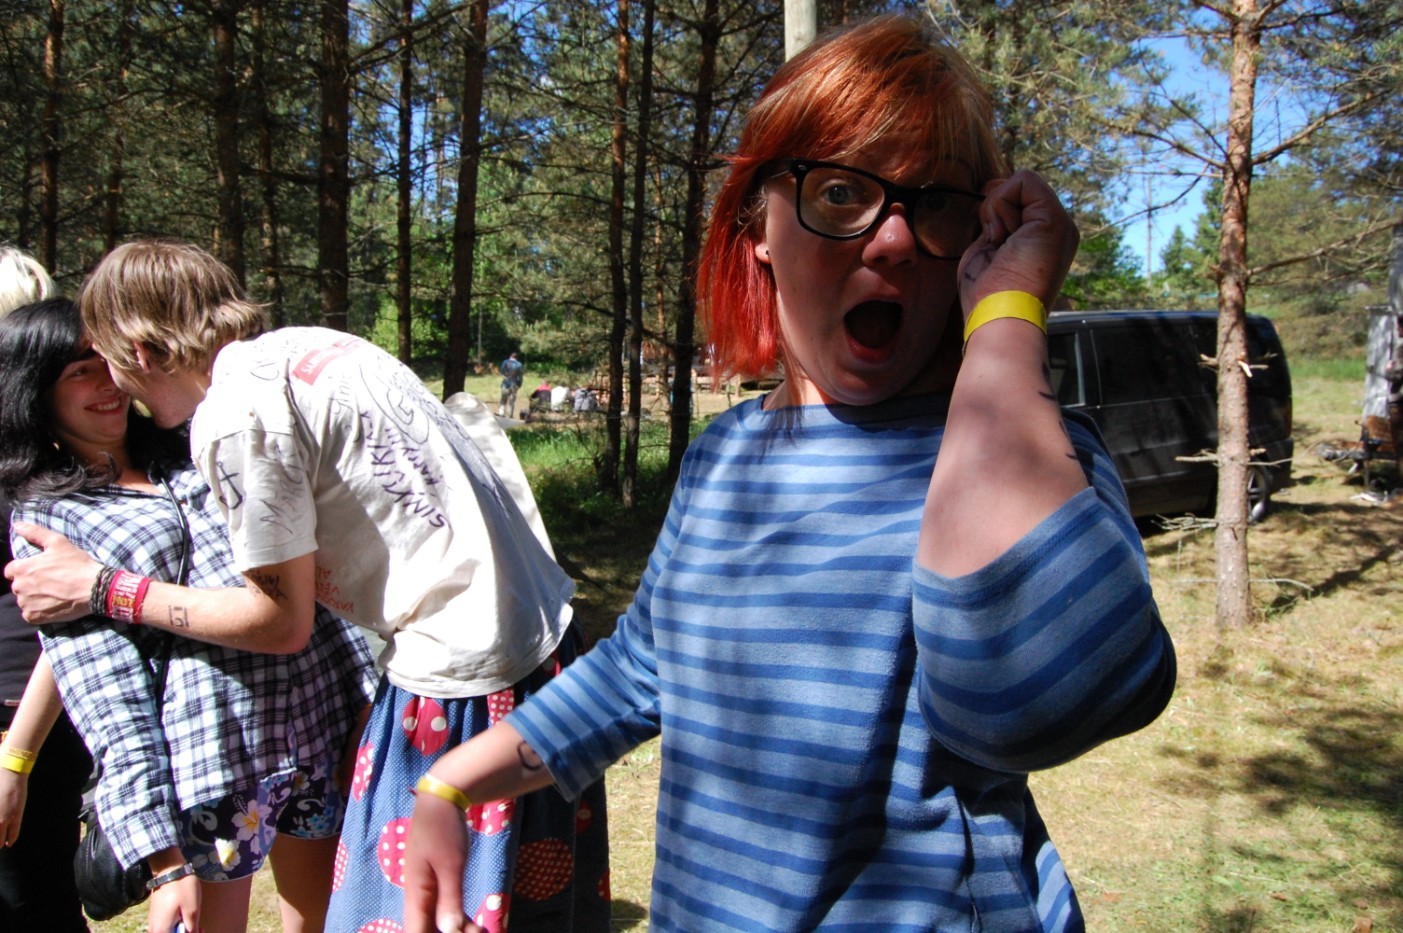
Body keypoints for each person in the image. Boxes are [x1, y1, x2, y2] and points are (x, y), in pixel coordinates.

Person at [400, 15, 1175, 933]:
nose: (892, 240)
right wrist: (452, 780)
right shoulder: (722, 457)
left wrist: (1005, 325)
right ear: (757, 225)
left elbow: (1031, 703)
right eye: (840, 191)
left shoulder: (1028, 453)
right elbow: (644, 669)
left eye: (936, 204)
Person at [4, 243, 610, 932]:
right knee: (527, 909)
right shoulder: (316, 349)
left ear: (141, 350)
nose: (114, 384)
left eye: (106, 359)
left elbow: (282, 620)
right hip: (542, 657)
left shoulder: (236, 418)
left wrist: (107, 589)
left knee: (421, 914)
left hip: (460, 686)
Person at [0, 298, 378, 933]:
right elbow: (102, 688)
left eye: (107, 361)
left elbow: (305, 581)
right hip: (207, 764)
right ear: (34, 392)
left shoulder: (195, 445)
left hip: (316, 730)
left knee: (326, 920)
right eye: (79, 371)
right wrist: (162, 858)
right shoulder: (52, 517)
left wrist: (366, 700)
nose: (107, 382)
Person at [0, 246, 92, 932]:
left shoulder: (50, 461)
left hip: (22, 717)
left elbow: (68, 618)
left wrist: (17, 756)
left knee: (31, 901)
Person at [497, 352, 523, 418]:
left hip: (505, 384)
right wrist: (519, 384)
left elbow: (501, 372)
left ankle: (501, 413)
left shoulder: (505, 362)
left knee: (503, 399)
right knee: (511, 401)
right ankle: (510, 415)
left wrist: (505, 378)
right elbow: (520, 376)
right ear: (516, 358)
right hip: (514, 384)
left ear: (510, 356)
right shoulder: (519, 364)